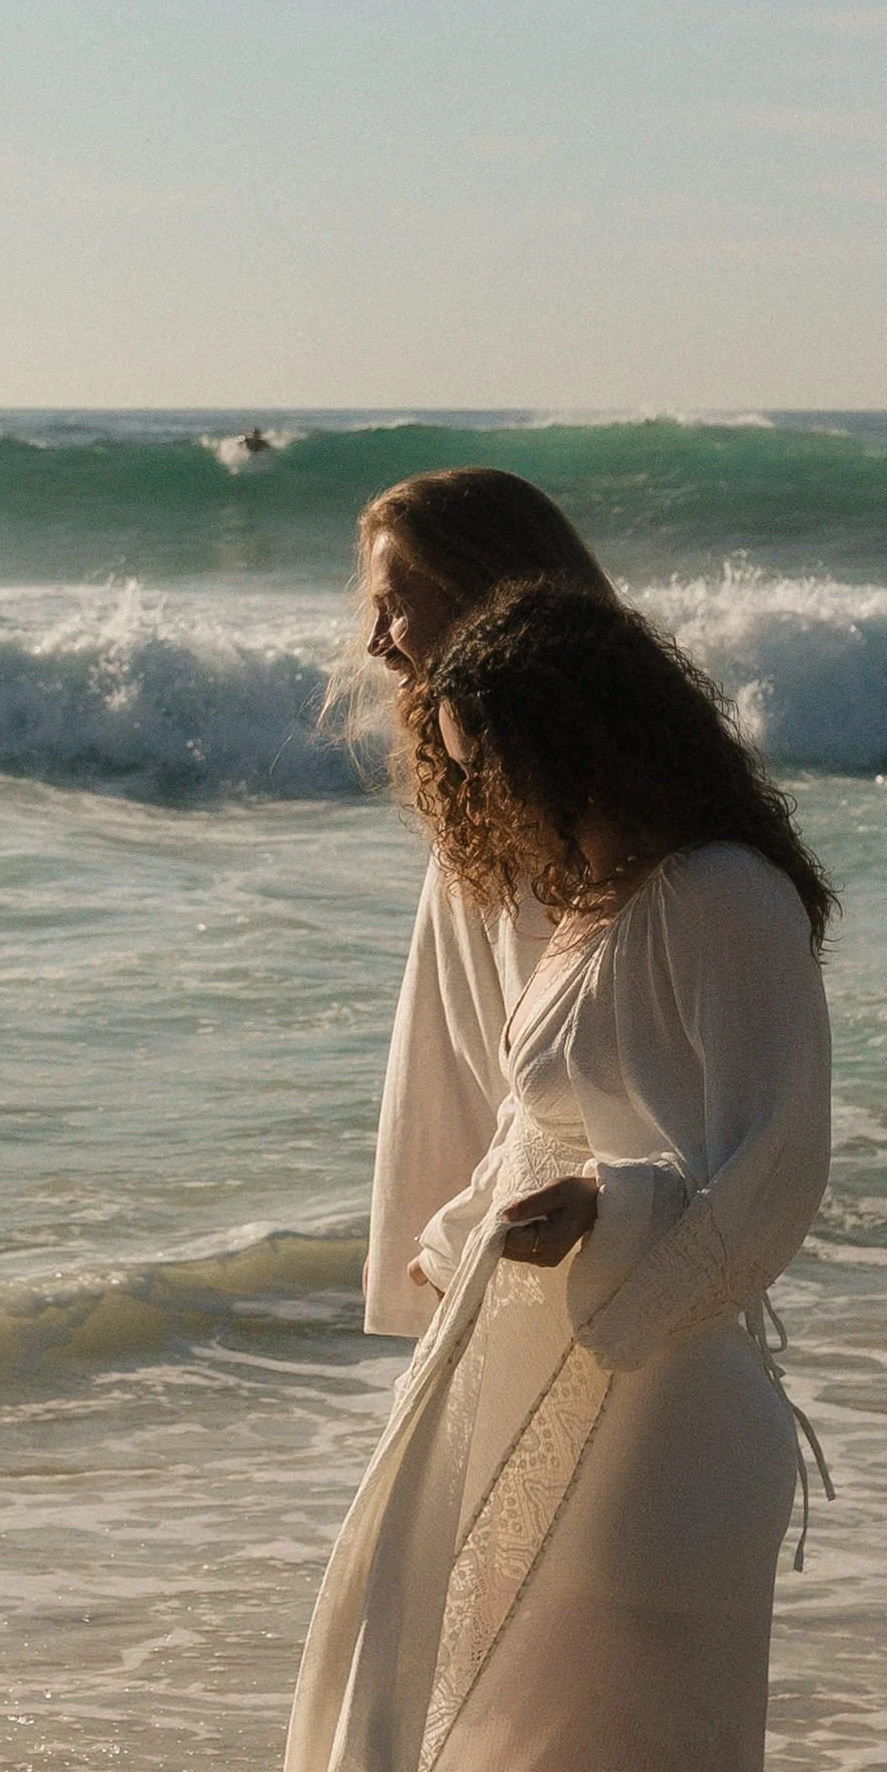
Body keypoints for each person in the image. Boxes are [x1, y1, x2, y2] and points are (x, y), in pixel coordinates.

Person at [273, 580, 840, 1772]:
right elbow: (539, 1126)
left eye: (492, 760)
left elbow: (773, 1170)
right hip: (545, 1411)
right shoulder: (582, 910)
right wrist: (465, 1227)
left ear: (582, 734)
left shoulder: (720, 898)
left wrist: (615, 1207)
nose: (482, 801)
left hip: (658, 1429)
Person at [327, 468, 617, 1341]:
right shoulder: (484, 788)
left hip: (540, 1244)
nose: (377, 643)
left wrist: (457, 1229)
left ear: (492, 597)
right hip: (495, 1230)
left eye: (398, 605)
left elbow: (567, 1069)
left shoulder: (573, 803)